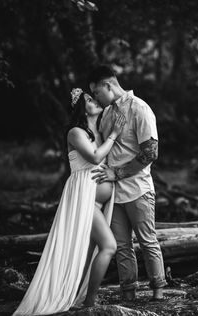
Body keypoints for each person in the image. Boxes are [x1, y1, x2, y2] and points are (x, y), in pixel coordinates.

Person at [12, 88, 125, 315]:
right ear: (83, 109)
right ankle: (90, 303)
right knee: (109, 246)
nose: (95, 101)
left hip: (97, 202)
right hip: (84, 198)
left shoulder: (99, 131)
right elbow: (94, 157)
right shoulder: (75, 132)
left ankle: (79, 297)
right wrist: (114, 134)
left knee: (86, 252)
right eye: (90, 100)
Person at [89, 65, 167, 301]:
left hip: (138, 189)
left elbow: (151, 152)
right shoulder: (107, 115)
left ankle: (158, 293)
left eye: (96, 94)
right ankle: (128, 294)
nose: (96, 99)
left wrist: (117, 173)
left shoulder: (140, 108)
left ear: (108, 85)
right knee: (122, 247)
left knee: (147, 241)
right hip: (113, 193)